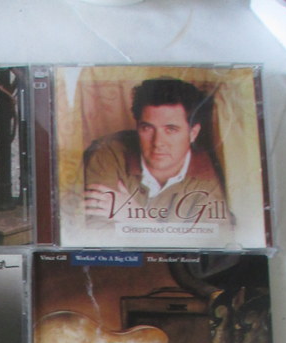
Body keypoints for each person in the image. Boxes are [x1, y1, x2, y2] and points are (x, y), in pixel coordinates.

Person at [83, 77, 229, 232]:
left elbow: (214, 240)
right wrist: (173, 236)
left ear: (193, 133)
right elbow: (97, 232)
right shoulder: (108, 153)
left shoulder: (208, 175)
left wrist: (140, 220)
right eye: (147, 128)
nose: (158, 142)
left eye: (171, 129)